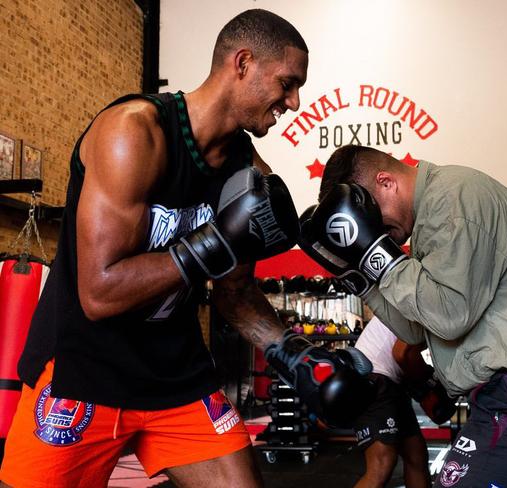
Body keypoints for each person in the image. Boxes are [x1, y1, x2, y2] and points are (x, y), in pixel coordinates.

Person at [0, 11, 374, 488]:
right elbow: (99, 292)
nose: (294, 101)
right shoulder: (134, 132)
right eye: (287, 83)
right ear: (242, 63)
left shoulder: (245, 172)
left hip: (176, 377)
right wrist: (214, 243)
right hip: (82, 373)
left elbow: (234, 294)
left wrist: (295, 355)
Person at [298, 145, 507, 487]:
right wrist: (359, 277)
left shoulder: (456, 198)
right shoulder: (431, 220)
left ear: (386, 182)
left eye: (371, 220)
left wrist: (377, 255)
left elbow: (450, 316)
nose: (376, 233)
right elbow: (417, 330)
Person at [352, 315, 456, 488]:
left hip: (392, 382)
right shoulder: (424, 303)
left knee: (416, 457)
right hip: (374, 377)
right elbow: (402, 353)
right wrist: (426, 385)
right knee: (381, 464)